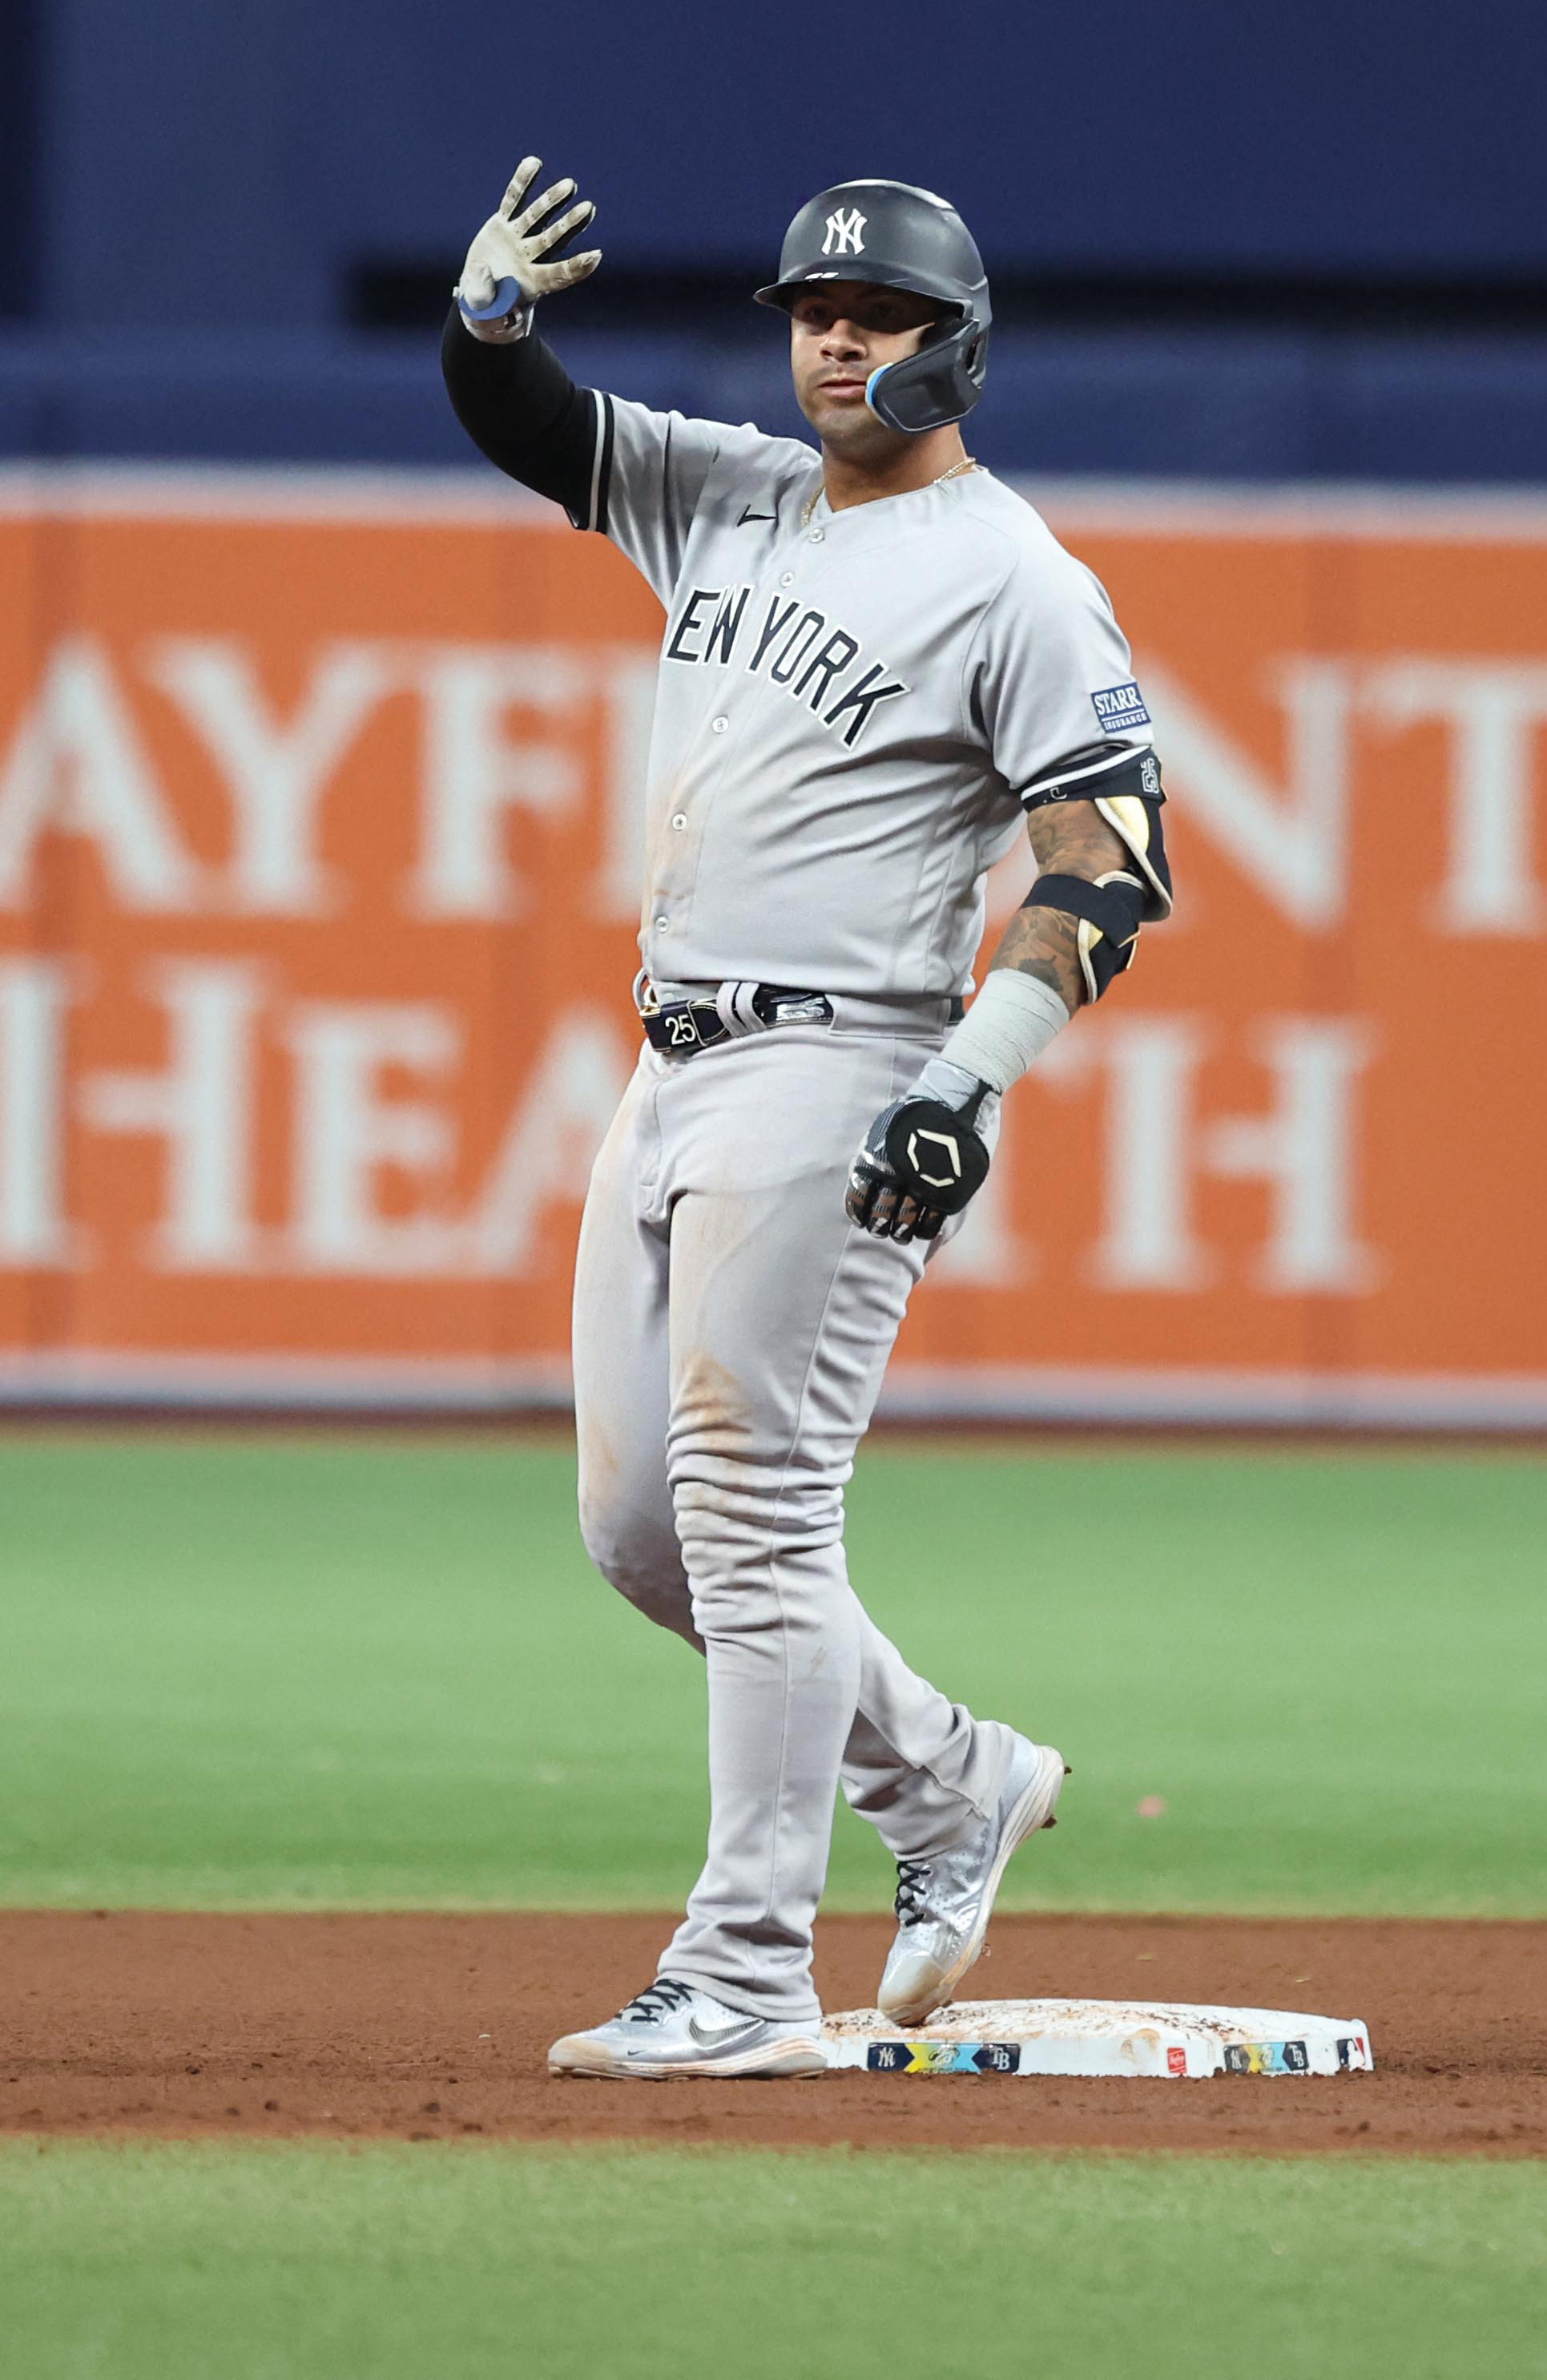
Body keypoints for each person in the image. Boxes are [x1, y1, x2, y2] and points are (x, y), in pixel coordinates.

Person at [442, 162, 1172, 2079]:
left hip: (846, 1065)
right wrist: (490, 326)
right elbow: (535, 425)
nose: (837, 339)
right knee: (635, 1532)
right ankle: (951, 1785)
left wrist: (967, 1078)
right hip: (672, 1057)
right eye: (813, 311)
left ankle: (749, 1971)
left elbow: (1106, 866)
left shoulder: (1013, 574)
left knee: (757, 1518)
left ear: (959, 348)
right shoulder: (730, 496)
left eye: (884, 317)